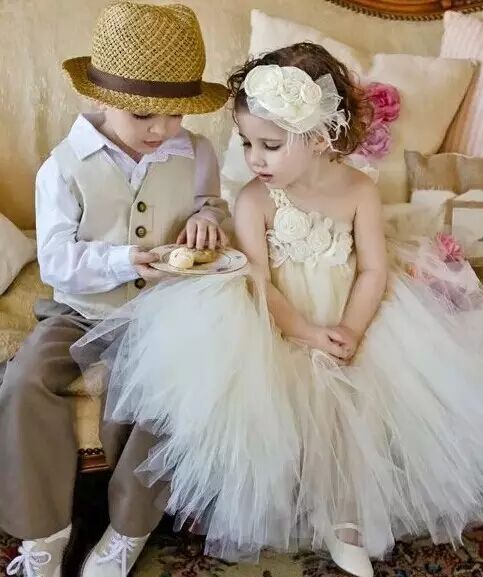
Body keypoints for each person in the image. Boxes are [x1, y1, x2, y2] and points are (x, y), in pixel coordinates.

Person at [73, 42, 483, 577]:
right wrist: (308, 332)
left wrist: (351, 328)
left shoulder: (359, 191)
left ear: (319, 137)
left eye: (270, 145)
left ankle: (345, 519)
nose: (255, 159)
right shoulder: (253, 200)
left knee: (358, 398)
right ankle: (303, 503)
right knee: (298, 396)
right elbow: (257, 280)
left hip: (352, 312)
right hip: (278, 319)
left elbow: (372, 271)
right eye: (247, 143)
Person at [1, 3, 229, 576]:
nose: (161, 130)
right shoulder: (62, 167)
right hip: (80, 310)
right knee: (25, 380)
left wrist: (207, 219)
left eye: (175, 115)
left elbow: (212, 205)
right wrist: (125, 260)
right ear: (102, 99)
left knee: (164, 395)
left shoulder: (196, 152)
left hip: (161, 315)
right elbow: (56, 260)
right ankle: (44, 534)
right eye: (144, 115)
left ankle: (128, 531)